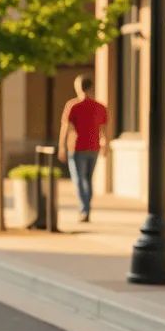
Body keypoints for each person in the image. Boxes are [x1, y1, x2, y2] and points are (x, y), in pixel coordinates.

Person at [58, 75, 109, 223]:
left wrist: (61, 146)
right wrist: (104, 144)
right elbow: (104, 129)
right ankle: (86, 208)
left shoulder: (73, 105)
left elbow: (65, 127)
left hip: (77, 147)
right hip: (94, 147)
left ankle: (84, 209)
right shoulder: (100, 107)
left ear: (78, 87)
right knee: (87, 179)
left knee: (79, 180)